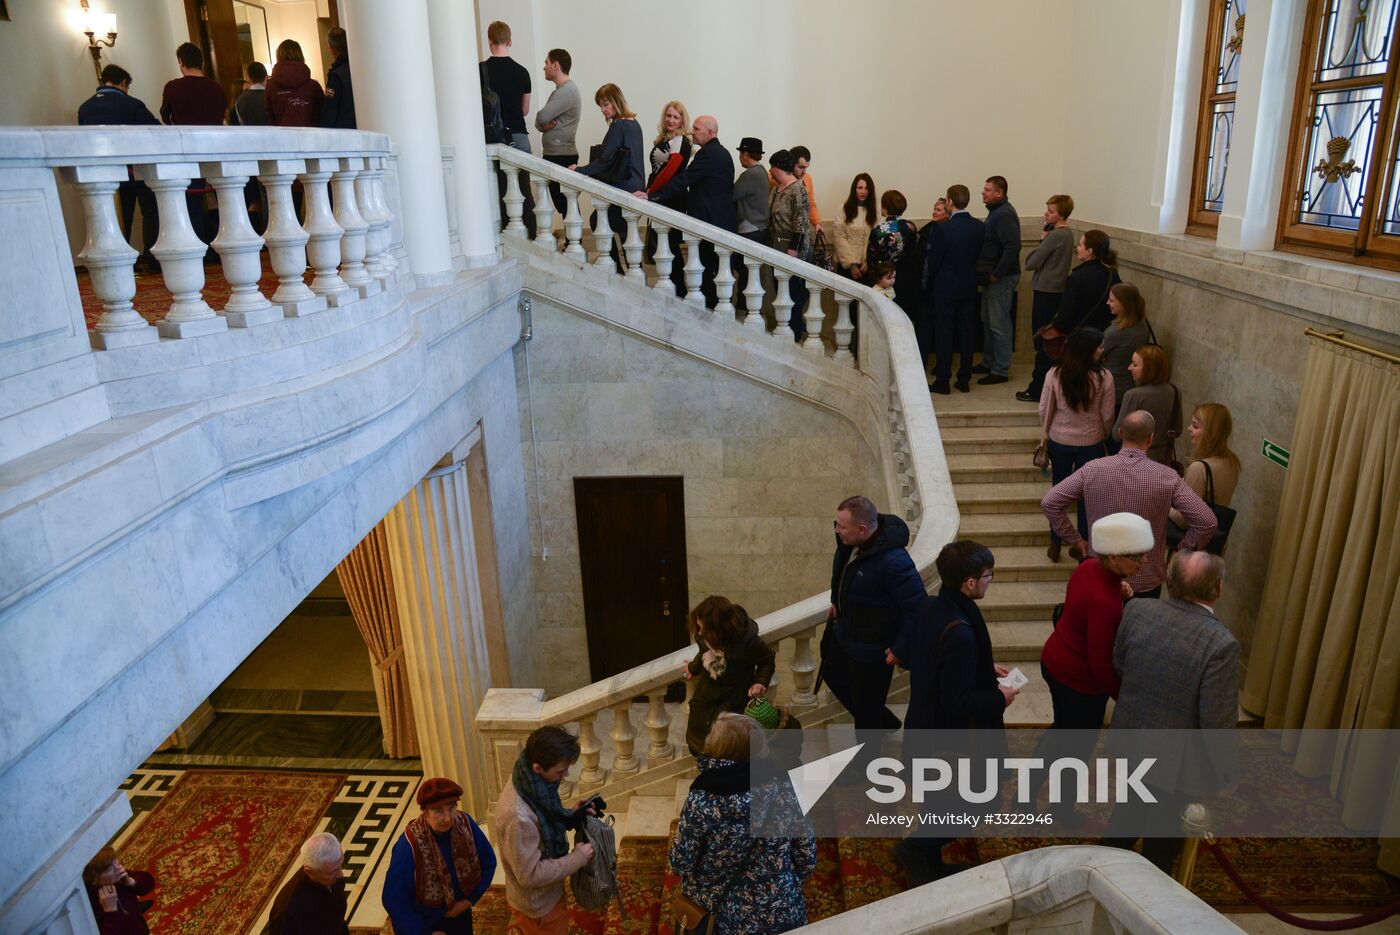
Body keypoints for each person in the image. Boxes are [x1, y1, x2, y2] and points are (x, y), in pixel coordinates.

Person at [1103, 551, 1239, 873]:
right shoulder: (1220, 644)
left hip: (1132, 740)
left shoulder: (1137, 610)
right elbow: (1216, 723)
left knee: (1126, 815)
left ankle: (1099, 878)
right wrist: (1225, 774)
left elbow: (1120, 665)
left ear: (1169, 580)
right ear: (1218, 589)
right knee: (1162, 843)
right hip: (1177, 765)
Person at [895, 539, 1016, 885]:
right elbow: (959, 704)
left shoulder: (933, 606)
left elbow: (932, 658)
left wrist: (979, 666)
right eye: (988, 575)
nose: (990, 581)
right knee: (979, 803)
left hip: (924, 723)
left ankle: (929, 866)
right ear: (970, 583)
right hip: (952, 740)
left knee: (938, 800)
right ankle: (916, 848)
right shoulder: (961, 633)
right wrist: (1000, 699)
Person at [1035, 512, 1152, 824]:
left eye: (1143, 554)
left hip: (1056, 659)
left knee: (1060, 733)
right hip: (1079, 683)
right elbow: (1100, 663)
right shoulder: (1106, 600)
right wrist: (1123, 698)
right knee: (1074, 750)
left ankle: (1028, 793)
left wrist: (1121, 592)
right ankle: (1059, 813)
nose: (1143, 561)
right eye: (1135, 556)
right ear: (1113, 556)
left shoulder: (1088, 566)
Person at [1042, 410, 1218, 598]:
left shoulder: (1092, 470)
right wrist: (1180, 551)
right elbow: (1207, 522)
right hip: (1147, 578)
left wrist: (1075, 539)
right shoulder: (1167, 477)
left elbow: (1050, 502)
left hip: (1102, 573)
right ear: (1150, 438)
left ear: (1120, 433)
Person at [669, 713, 816, 935]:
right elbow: (807, 860)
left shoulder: (701, 800)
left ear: (718, 750)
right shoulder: (787, 790)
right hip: (779, 913)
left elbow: (681, 863)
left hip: (718, 917)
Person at [820, 495, 926, 731]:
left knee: (866, 712)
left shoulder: (895, 561)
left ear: (862, 528)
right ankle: (883, 720)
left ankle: (866, 763)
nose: (836, 530)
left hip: (873, 649)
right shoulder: (849, 543)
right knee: (831, 673)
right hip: (845, 633)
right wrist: (836, 601)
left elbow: (917, 607)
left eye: (842, 526)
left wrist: (900, 647)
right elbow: (842, 574)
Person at [492, 727, 598, 935]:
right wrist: (577, 858)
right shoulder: (517, 817)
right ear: (538, 768)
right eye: (560, 771)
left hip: (548, 894)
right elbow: (530, 876)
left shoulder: (530, 780)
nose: (566, 774)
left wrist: (571, 815)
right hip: (538, 905)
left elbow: (544, 818)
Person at [639, 115, 736, 307]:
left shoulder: (707, 154)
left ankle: (709, 313)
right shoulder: (724, 153)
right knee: (716, 272)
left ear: (709, 133)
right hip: (722, 221)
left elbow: (684, 180)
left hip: (708, 223)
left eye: (697, 129)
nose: (692, 132)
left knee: (707, 274)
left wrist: (652, 196)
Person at [383, 776, 496, 935]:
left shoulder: (465, 824)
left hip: (460, 912)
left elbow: (489, 861)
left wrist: (468, 901)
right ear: (425, 812)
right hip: (426, 922)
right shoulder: (408, 847)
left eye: (451, 808)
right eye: (438, 811)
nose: (448, 818)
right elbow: (393, 899)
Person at [1039, 327, 1114, 562]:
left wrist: (1048, 431)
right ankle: (1082, 544)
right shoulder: (1104, 378)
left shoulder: (1055, 374)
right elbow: (1108, 415)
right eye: (1099, 347)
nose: (1103, 350)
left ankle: (1055, 541)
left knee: (1058, 493)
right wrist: (1101, 434)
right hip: (1091, 444)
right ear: (1088, 351)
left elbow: (1044, 408)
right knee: (1087, 495)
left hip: (1059, 442)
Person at [77, 64, 160, 273]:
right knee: (149, 213)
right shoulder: (131, 104)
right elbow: (155, 131)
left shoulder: (85, 108)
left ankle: (117, 263)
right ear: (123, 83)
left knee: (117, 217)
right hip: (136, 169)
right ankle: (151, 260)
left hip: (103, 172)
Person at [679, 595, 776, 754]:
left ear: (720, 630)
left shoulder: (748, 642)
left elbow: (767, 660)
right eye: (699, 627)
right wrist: (693, 667)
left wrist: (760, 682)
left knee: (726, 749)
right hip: (705, 702)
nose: (700, 633)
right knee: (699, 746)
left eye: (705, 629)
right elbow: (704, 651)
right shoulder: (707, 637)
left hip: (733, 703)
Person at [572, 84, 644, 272]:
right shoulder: (634, 123)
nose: (603, 110)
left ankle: (619, 270)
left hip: (623, 183)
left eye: (605, 104)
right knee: (625, 229)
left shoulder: (619, 124)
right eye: (600, 107)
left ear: (616, 101)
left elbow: (606, 158)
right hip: (635, 183)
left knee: (598, 220)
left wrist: (580, 169)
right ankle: (631, 270)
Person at [925, 184, 985, 394]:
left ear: (950, 201)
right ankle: (964, 378)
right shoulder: (979, 227)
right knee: (967, 332)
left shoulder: (943, 228)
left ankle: (943, 380)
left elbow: (934, 260)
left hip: (946, 286)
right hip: (969, 285)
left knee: (945, 333)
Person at [1017, 194, 1076, 402]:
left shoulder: (1055, 236)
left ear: (1061, 214)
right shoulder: (1068, 234)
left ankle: (1037, 388)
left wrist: (1041, 241)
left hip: (1046, 291)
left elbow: (1031, 261)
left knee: (1043, 341)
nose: (1046, 214)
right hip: (1056, 290)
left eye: (1051, 211)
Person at [1168, 402, 1240, 549]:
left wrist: (1166, 506)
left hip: (1193, 545)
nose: (1189, 429)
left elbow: (1184, 520)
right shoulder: (1232, 462)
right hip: (1215, 543)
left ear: (1210, 432)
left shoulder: (1199, 468)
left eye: (1195, 426)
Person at [974, 176, 1020, 385]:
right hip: (992, 277)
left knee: (999, 323)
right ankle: (989, 361)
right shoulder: (996, 213)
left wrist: (997, 273)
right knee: (988, 320)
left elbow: (1012, 246)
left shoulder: (1003, 215)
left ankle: (1000, 369)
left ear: (999, 192)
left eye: (988, 190)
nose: (983, 193)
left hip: (1000, 278)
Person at [644, 100, 693, 294]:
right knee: (665, 245)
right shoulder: (666, 140)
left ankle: (679, 290)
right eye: (668, 115)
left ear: (682, 120)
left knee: (670, 245)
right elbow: (658, 171)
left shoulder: (681, 140)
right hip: (662, 196)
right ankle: (674, 288)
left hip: (672, 198)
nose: (671, 120)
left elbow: (670, 172)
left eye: (675, 117)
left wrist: (651, 193)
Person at [767, 149, 812, 340]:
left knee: (793, 292)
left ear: (782, 168)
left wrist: (793, 249)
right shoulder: (776, 189)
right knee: (780, 291)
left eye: (773, 167)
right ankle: (784, 328)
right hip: (775, 244)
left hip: (791, 247)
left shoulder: (798, 189)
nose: (770, 171)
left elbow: (801, 222)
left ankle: (794, 332)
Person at [267, 832, 350, 934]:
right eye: (332, 872)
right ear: (309, 871)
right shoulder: (288, 912)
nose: (340, 874)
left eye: (340, 865)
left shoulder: (330, 874)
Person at [1113, 344, 1182, 466]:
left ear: (1149, 369)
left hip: (1133, 461)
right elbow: (1177, 430)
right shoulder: (1175, 391)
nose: (1129, 368)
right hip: (1162, 460)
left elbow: (1117, 435)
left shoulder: (1133, 395)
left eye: (1135, 364)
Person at [1044, 229, 1121, 337]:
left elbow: (1064, 318)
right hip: (1103, 336)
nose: (1077, 248)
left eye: (1080, 245)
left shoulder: (1076, 278)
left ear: (1089, 251)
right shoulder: (1112, 274)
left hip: (1080, 339)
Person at [534, 49, 580, 215]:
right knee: (564, 205)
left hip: (561, 155)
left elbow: (542, 116)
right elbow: (540, 123)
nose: (544, 67)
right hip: (556, 154)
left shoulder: (566, 91)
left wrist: (542, 124)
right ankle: (572, 241)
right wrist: (542, 126)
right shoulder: (559, 91)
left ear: (555, 65)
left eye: (546, 63)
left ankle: (573, 241)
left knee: (566, 205)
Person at [1098, 282, 1152, 416]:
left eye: (1112, 300)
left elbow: (1097, 355)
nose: (1107, 303)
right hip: (1130, 385)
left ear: (1124, 303)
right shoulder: (1143, 324)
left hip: (1112, 387)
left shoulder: (1116, 332)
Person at [865, 190, 919, 317]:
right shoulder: (911, 227)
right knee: (903, 315)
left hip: (884, 277)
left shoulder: (878, 230)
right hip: (906, 275)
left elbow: (871, 259)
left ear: (885, 207)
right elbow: (913, 251)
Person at [483, 21, 532, 153]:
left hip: (493, 137)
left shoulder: (481, 70)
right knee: (524, 174)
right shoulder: (523, 72)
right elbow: (525, 110)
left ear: (490, 41)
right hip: (518, 134)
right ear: (510, 42)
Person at [732, 137, 769, 312]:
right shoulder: (763, 173)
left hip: (749, 229)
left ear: (745, 154)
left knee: (744, 272)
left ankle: (744, 307)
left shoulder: (749, 175)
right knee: (749, 272)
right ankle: (746, 307)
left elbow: (732, 194)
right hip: (760, 229)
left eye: (741, 153)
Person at [83, 847, 155, 935]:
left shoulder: (118, 878)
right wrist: (110, 911)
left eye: (116, 862)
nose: (119, 868)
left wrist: (132, 882)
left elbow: (149, 882)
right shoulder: (88, 904)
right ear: (94, 878)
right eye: (110, 869)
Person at [160, 43, 225, 126]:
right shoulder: (217, 88)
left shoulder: (172, 87)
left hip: (185, 137)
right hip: (213, 137)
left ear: (181, 61)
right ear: (201, 62)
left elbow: (165, 117)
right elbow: (222, 115)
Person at [265, 40, 324, 127]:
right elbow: (323, 113)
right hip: (311, 135)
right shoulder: (313, 86)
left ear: (278, 56)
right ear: (300, 55)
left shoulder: (271, 86)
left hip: (282, 135)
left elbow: (269, 115)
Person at [832, 173, 877, 281]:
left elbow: (876, 239)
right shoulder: (843, 209)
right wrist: (851, 265)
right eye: (859, 188)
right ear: (854, 189)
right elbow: (839, 237)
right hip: (847, 266)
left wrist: (868, 262)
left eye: (866, 188)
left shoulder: (875, 212)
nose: (863, 192)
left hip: (867, 267)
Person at [321, 27, 356, 129]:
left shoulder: (336, 76)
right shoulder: (358, 67)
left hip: (344, 131)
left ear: (331, 48)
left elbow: (330, 109)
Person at [790, 145, 823, 238]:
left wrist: (817, 223)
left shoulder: (807, 177)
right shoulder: (776, 178)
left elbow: (811, 203)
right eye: (801, 167)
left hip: (802, 232)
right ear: (791, 164)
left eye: (806, 167)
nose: (804, 171)